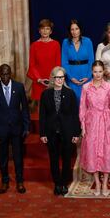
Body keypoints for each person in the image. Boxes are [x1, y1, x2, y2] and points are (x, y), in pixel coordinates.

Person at [79, 60, 110, 197]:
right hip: (91, 122)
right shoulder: (86, 88)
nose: (98, 74)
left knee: (106, 151)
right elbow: (82, 108)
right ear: (92, 72)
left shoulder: (109, 87)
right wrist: (83, 126)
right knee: (92, 152)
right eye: (95, 71)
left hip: (106, 122)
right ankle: (97, 182)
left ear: (104, 72)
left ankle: (105, 182)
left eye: (100, 71)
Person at [0, 64, 30, 194]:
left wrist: (26, 126)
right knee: (3, 157)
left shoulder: (19, 87)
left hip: (17, 128)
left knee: (18, 156)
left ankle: (19, 181)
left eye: (7, 74)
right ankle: (4, 181)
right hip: (1, 129)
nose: (5, 77)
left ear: (10, 73)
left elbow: (25, 109)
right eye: (3, 74)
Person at [39, 66, 80, 196]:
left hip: (67, 132)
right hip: (51, 132)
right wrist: (43, 133)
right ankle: (57, 183)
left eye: (62, 77)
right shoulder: (45, 94)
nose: (60, 80)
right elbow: (42, 115)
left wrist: (75, 133)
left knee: (67, 159)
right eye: (57, 77)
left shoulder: (70, 93)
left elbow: (75, 115)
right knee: (54, 159)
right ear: (53, 78)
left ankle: (64, 183)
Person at [27, 19, 61, 105]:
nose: (45, 31)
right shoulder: (34, 46)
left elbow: (58, 65)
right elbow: (32, 65)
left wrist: (53, 80)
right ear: (39, 30)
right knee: (39, 110)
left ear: (51, 31)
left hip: (52, 81)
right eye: (42, 28)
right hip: (38, 82)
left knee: (53, 107)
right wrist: (39, 79)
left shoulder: (56, 44)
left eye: (47, 28)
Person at [61, 19, 94, 104]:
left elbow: (91, 61)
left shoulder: (87, 41)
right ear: (69, 31)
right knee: (73, 102)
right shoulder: (65, 42)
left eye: (77, 29)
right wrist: (71, 77)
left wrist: (88, 76)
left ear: (80, 29)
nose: (74, 32)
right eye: (72, 29)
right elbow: (64, 62)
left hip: (86, 76)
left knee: (87, 102)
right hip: (72, 76)